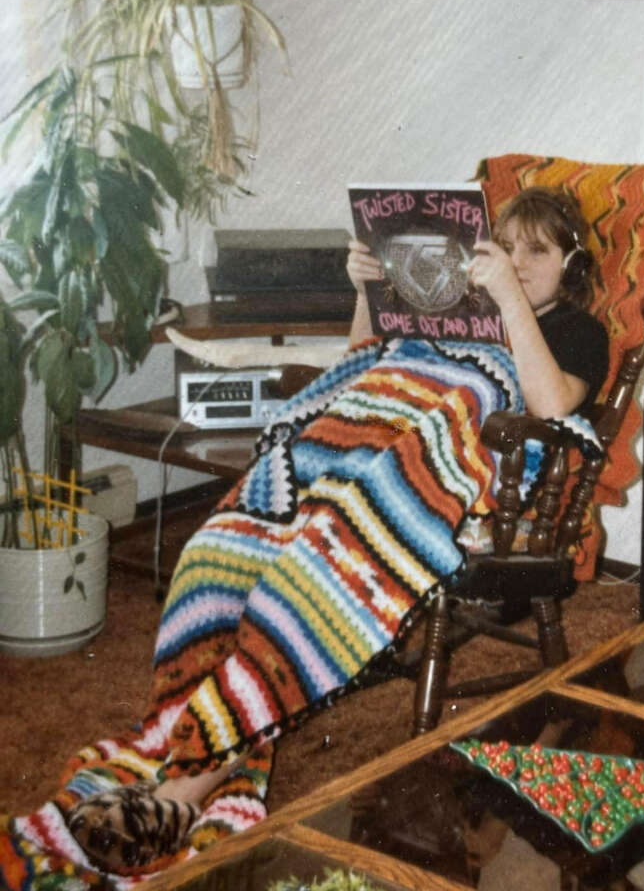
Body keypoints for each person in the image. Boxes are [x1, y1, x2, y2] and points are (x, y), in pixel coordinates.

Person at [5, 186, 608, 884]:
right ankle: (181, 736)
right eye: (507, 247)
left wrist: (506, 299)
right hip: (348, 448)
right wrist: (366, 291)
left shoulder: (574, 329)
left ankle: (180, 795)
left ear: (573, 265)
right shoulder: (451, 305)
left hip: (424, 479)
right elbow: (365, 362)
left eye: (539, 250)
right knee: (213, 558)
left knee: (302, 590)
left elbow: (551, 403)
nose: (518, 262)